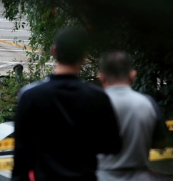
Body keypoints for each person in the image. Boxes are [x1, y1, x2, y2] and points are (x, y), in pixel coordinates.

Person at [11, 27, 122, 181]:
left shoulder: (30, 95)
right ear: (84, 56)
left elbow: (22, 153)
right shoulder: (97, 97)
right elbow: (113, 145)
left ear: (54, 50)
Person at [97, 51, 169, 181]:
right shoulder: (148, 104)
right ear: (132, 75)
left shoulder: (89, 105)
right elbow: (161, 144)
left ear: (101, 77)